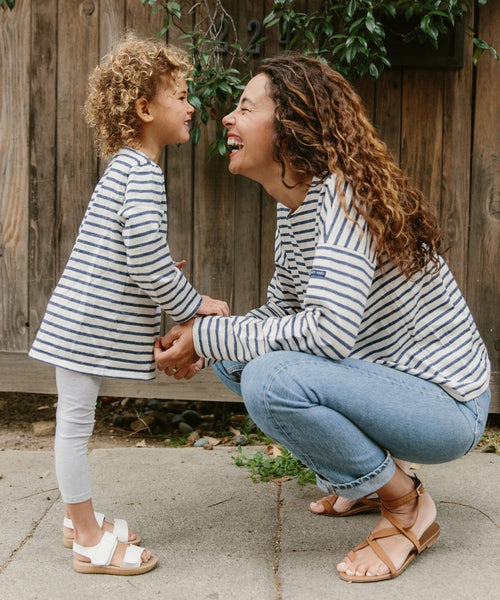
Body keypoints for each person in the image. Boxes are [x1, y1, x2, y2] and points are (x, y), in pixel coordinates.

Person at [154, 53, 491, 583]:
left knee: (266, 375)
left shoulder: (343, 195)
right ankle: (366, 483)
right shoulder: (295, 209)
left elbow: (328, 333)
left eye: (246, 107)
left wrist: (211, 335)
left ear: (289, 127)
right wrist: (207, 332)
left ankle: (406, 508)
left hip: (446, 405)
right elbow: (284, 316)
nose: (227, 117)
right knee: (237, 361)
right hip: (388, 386)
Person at [29, 33, 229, 576]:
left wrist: (161, 279)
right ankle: (88, 541)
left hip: (79, 320)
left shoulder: (127, 168)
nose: (192, 106)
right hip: (82, 325)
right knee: (73, 425)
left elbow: (132, 254)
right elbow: (144, 260)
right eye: (181, 96)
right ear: (145, 109)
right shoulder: (140, 173)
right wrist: (192, 306)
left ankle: (77, 519)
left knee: (76, 422)